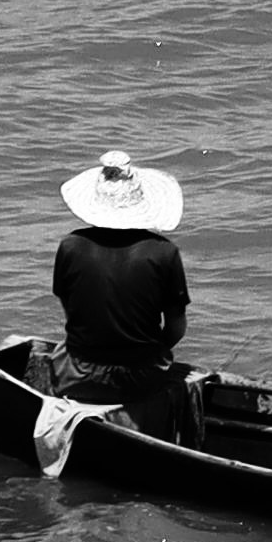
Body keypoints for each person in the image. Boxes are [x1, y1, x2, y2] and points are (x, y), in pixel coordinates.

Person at [50, 150, 191, 401]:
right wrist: (147, 353)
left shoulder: (70, 246)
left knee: (61, 352)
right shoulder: (164, 252)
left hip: (78, 376)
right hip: (142, 381)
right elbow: (176, 329)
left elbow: (72, 311)